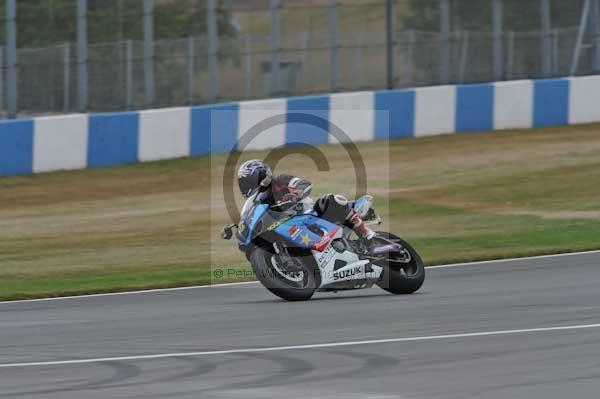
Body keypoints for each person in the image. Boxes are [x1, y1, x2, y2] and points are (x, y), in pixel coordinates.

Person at [236, 159, 377, 243]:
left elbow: (305, 184)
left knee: (329, 200)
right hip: (289, 228)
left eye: (249, 181)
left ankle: (367, 234)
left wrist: (296, 194)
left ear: (262, 175)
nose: (247, 186)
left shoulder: (280, 181)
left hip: (310, 214)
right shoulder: (259, 201)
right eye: (244, 183)